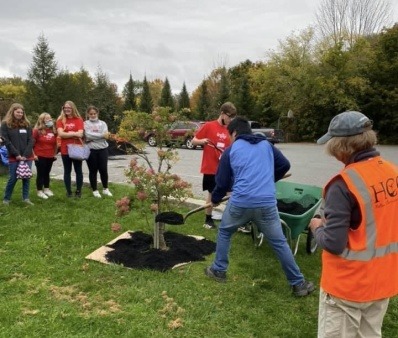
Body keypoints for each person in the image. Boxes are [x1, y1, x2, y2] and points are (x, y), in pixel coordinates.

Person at [309, 111, 398, 337]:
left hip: (347, 287)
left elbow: (333, 243)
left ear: (341, 146)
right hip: (383, 281)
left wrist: (317, 226)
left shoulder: (343, 184)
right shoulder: (391, 172)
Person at [204, 116, 315, 297]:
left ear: (234, 133)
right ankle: (298, 284)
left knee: (225, 231)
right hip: (266, 204)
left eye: (230, 135)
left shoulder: (231, 150)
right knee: (279, 242)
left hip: (240, 202)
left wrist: (215, 198)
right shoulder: (267, 145)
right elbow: (285, 165)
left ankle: (218, 270)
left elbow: (222, 182)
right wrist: (269, 179)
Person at [192, 102, 236, 229]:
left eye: (232, 117)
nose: (230, 120)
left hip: (226, 168)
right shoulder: (209, 126)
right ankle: (208, 219)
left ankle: (232, 220)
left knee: (230, 194)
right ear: (222, 113)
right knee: (212, 194)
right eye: (229, 116)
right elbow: (194, 140)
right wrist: (202, 141)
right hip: (211, 168)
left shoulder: (230, 130)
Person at [1, 103, 34, 205]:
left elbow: (31, 140)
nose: (20, 114)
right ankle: (6, 198)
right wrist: (16, 154)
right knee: (13, 178)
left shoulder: (27, 124)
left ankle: (26, 198)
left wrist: (25, 154)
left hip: (27, 156)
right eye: (17, 112)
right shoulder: (5, 124)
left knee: (26, 177)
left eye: (21, 112)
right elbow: (6, 140)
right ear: (12, 112)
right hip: (13, 156)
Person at [56, 101, 84, 198]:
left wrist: (68, 133)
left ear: (73, 108)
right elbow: (60, 134)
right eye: (65, 108)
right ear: (63, 109)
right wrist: (74, 133)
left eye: (69, 108)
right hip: (65, 149)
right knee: (67, 171)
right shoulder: (60, 120)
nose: (67, 109)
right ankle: (68, 192)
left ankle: (78, 191)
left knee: (78, 170)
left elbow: (80, 134)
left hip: (77, 149)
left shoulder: (79, 120)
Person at [84, 105, 112, 198]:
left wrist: (94, 137)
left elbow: (106, 135)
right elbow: (87, 135)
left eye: (94, 113)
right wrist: (101, 136)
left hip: (103, 149)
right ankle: (95, 190)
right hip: (91, 150)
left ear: (97, 113)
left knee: (103, 170)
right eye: (91, 114)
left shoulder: (103, 123)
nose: (93, 115)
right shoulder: (85, 124)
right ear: (88, 114)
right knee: (93, 171)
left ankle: (105, 189)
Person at [33, 113, 58, 199]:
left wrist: (55, 154)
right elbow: (31, 144)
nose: (50, 121)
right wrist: (34, 155)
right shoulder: (37, 131)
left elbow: (55, 144)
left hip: (50, 156)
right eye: (47, 119)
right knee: (41, 173)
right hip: (40, 155)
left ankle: (46, 189)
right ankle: (39, 190)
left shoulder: (53, 131)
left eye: (50, 119)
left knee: (47, 173)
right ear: (42, 120)